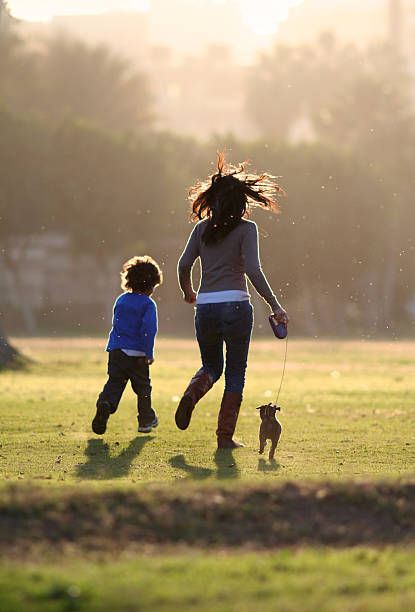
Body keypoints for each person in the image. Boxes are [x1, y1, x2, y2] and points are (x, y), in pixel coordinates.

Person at [176, 151, 288, 449]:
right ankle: (224, 438)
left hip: (206, 307)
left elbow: (183, 265)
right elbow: (253, 269)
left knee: (211, 365)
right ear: (240, 201)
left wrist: (189, 293)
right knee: (235, 373)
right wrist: (275, 305)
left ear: (212, 200)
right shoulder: (246, 229)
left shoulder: (201, 229)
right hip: (237, 306)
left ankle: (191, 394)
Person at [92, 255, 162, 435]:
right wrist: (148, 352)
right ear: (152, 285)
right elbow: (148, 330)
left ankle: (105, 404)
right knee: (143, 389)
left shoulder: (121, 300)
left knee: (115, 382)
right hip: (137, 353)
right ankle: (146, 420)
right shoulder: (148, 304)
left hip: (117, 351)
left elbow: (117, 324)